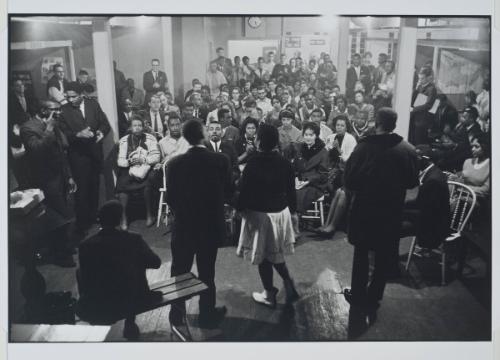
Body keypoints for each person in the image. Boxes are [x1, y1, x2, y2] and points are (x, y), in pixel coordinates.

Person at [342, 108, 419, 316]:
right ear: (394, 124)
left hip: (365, 209)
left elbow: (349, 180)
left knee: (361, 252)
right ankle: (375, 294)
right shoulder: (408, 149)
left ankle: (358, 294)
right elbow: (412, 182)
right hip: (392, 210)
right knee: (384, 253)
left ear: (377, 122)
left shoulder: (364, 148)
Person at [166, 120, 233, 329]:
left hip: (184, 226)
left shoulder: (174, 164)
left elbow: (170, 198)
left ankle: (176, 315)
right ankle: (206, 314)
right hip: (209, 226)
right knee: (207, 272)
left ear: (185, 137)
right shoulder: (221, 160)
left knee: (180, 270)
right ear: (203, 134)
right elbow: (229, 192)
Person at [77, 200, 162, 340]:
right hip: (132, 299)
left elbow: (84, 276)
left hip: (98, 301)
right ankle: (130, 322)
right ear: (119, 219)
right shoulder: (133, 239)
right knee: (129, 272)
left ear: (100, 220)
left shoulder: (85, 245)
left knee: (82, 271)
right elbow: (156, 263)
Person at [236, 124, 299, 307]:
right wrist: (293, 212)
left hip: (260, 215)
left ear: (259, 141)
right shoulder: (285, 163)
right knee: (276, 253)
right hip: (280, 213)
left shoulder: (253, 164)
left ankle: (269, 294)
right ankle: (287, 282)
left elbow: (245, 193)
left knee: (263, 257)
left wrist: (239, 209)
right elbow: (291, 191)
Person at [20, 100, 77, 267]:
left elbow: (62, 152)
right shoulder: (28, 128)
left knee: (65, 214)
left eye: (59, 109)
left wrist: (69, 177)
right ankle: (61, 255)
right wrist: (50, 129)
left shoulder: (54, 123)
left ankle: (65, 247)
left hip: (60, 177)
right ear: (44, 110)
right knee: (57, 218)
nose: (59, 112)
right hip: (45, 180)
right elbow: (37, 150)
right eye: (55, 110)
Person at [59, 82, 111, 235]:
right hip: (78, 157)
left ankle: (94, 216)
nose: (70, 100)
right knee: (81, 190)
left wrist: (101, 132)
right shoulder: (64, 111)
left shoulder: (93, 104)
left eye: (73, 96)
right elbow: (63, 134)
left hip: (95, 154)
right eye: (67, 97)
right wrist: (77, 135)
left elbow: (104, 124)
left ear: (81, 95)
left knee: (94, 186)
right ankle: (82, 222)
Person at [400, 145, 450, 257]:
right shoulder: (431, 172)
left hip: (433, 226)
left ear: (425, 159)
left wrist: (399, 210)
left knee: (390, 225)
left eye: (415, 158)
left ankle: (388, 263)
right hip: (427, 216)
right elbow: (422, 203)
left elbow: (426, 212)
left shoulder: (433, 180)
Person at [116, 116, 160, 230]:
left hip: (145, 167)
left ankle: (149, 214)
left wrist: (144, 160)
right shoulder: (124, 140)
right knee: (122, 184)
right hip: (129, 168)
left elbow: (156, 156)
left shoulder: (150, 138)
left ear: (143, 127)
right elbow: (120, 160)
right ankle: (124, 217)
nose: (137, 128)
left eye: (139, 125)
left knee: (149, 182)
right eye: (134, 126)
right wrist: (129, 162)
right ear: (130, 127)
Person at [289, 122, 330, 216]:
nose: (308, 137)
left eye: (311, 135)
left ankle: (296, 217)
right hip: (299, 181)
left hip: (315, 184)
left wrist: (308, 181)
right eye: (306, 135)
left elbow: (323, 175)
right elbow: (294, 167)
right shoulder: (299, 148)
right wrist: (295, 178)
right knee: (286, 190)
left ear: (316, 135)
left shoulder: (323, 151)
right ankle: (291, 217)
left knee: (300, 194)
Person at [409, 66, 438, 145]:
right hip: (415, 118)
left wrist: (413, 109)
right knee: (412, 141)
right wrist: (416, 88)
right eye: (419, 79)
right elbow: (412, 100)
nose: (420, 81)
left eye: (422, 79)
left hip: (422, 120)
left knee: (419, 143)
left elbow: (428, 105)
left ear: (429, 78)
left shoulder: (432, 89)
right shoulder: (420, 87)